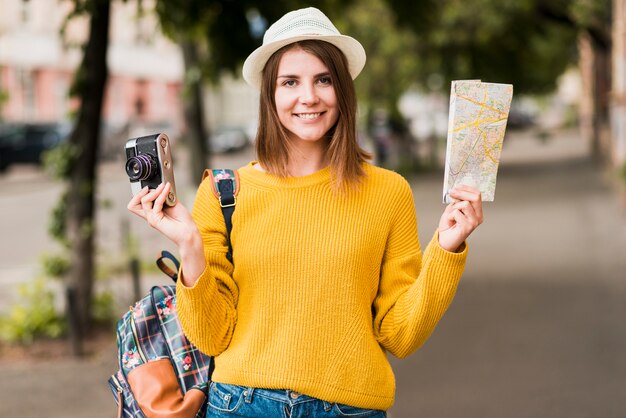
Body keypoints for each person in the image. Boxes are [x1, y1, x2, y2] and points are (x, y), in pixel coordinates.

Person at [127, 7, 483, 418]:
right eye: (290, 82)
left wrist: (446, 249)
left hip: (351, 408)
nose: (308, 96)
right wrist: (189, 246)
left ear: (343, 91)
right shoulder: (224, 192)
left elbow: (400, 335)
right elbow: (212, 336)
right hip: (242, 405)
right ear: (271, 95)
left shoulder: (388, 192)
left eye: (323, 80)